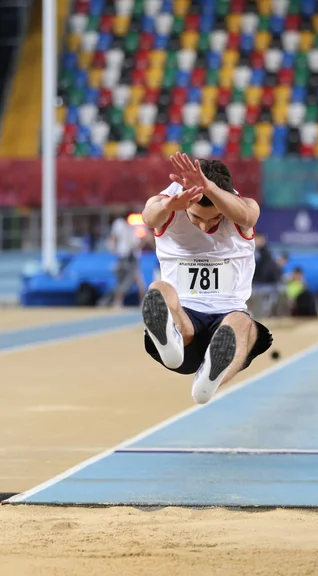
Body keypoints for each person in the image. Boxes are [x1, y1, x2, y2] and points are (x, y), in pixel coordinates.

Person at [141, 153, 273, 405]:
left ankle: (208, 378)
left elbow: (247, 216)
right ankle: (173, 341)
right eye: (197, 218)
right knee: (159, 289)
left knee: (241, 323)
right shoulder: (166, 205)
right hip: (184, 318)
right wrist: (170, 206)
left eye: (214, 218)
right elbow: (149, 216)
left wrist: (209, 188)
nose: (205, 226)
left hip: (226, 319)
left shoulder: (242, 208)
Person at [107, 211, 146, 307]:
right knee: (123, 280)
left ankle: (143, 302)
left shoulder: (136, 223)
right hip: (123, 256)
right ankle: (118, 301)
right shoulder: (119, 223)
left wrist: (139, 246)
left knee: (138, 279)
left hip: (133, 256)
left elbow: (143, 238)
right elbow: (113, 237)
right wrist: (113, 249)